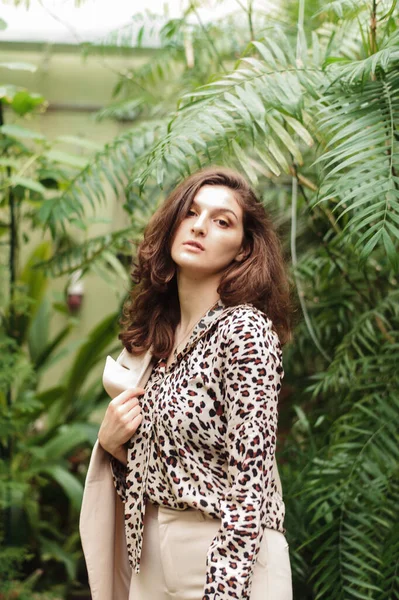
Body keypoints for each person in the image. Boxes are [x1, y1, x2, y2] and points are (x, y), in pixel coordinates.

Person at [80, 166, 293, 600]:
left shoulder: (244, 332)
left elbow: (250, 485)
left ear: (242, 249)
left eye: (221, 221)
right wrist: (114, 444)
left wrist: (225, 589)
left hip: (229, 561)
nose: (199, 226)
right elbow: (158, 479)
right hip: (152, 562)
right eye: (190, 213)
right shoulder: (156, 345)